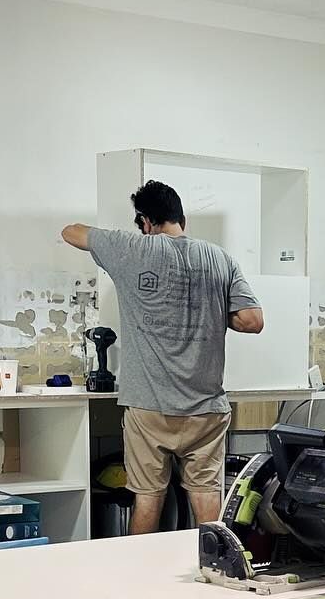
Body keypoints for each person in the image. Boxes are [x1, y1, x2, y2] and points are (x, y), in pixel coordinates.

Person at [62, 180, 263, 533]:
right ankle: (216, 567)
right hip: (206, 408)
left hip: (150, 407)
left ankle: (141, 580)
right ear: (180, 217)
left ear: (145, 221)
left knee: (148, 498)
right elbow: (252, 320)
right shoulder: (220, 258)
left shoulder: (133, 248)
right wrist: (212, 312)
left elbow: (70, 232)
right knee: (206, 499)